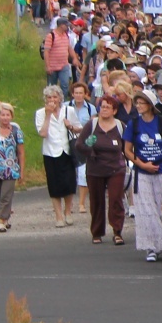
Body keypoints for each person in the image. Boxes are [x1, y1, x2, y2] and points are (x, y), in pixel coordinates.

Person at [123, 90, 162, 262]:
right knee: (147, 210)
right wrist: (141, 164)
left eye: (141, 103)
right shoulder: (134, 124)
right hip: (142, 171)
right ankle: (151, 247)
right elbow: (127, 150)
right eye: (137, 103)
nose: (138, 106)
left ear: (150, 105)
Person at [75, 95, 127, 245]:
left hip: (116, 168)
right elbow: (80, 144)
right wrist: (91, 152)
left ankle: (117, 231)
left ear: (114, 110)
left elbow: (127, 146)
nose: (104, 109)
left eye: (107, 107)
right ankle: (97, 232)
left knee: (116, 198)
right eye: (102, 106)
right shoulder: (92, 125)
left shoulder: (120, 126)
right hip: (95, 168)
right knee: (96, 201)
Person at [35, 85, 82, 227]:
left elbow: (79, 128)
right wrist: (48, 115)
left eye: (55, 97)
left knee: (69, 183)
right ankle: (58, 215)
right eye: (49, 97)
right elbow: (43, 134)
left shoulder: (69, 110)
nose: (52, 100)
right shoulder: (40, 113)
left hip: (66, 151)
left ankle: (68, 212)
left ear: (60, 98)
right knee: (54, 185)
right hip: (50, 152)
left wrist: (71, 126)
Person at [68, 82, 97, 214]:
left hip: (84, 142)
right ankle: (69, 203)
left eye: (81, 93)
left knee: (82, 172)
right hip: (68, 141)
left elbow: (93, 127)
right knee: (69, 172)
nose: (79, 96)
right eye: (76, 93)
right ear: (72, 94)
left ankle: (81, 203)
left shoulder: (91, 108)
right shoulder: (66, 107)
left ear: (85, 94)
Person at [0, 103, 25, 232]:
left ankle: (1, 221)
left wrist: (21, 171)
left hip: (11, 169)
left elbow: (21, 152)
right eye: (3, 115)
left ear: (11, 116)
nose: (5, 117)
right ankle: (5, 218)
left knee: (6, 196)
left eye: (8, 115)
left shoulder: (16, 132)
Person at [44, 18, 81, 98]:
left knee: (65, 85)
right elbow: (46, 51)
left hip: (64, 64)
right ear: (61, 25)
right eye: (66, 25)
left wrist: (74, 58)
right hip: (53, 66)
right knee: (52, 87)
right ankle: (51, 100)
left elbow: (69, 48)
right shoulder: (51, 36)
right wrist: (47, 66)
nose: (68, 27)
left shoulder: (65, 35)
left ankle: (62, 102)